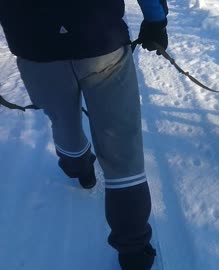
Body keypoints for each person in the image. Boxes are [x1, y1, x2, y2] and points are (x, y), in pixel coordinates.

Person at [0, 0, 169, 269]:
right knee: (121, 144)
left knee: (63, 121)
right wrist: (156, 20)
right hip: (100, 37)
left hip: (34, 46)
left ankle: (78, 167)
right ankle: (134, 249)